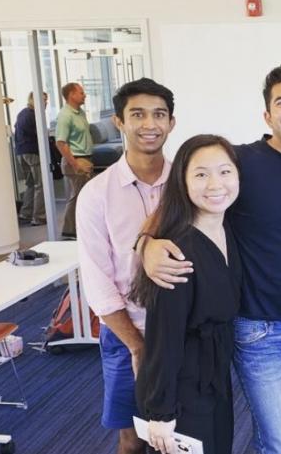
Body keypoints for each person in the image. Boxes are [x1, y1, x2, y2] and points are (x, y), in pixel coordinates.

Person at [142, 63, 281, 453]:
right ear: (267, 115)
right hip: (260, 330)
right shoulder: (242, 162)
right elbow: (176, 202)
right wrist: (146, 244)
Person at [78, 78, 177, 454]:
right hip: (127, 332)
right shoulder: (96, 195)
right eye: (137, 114)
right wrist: (138, 347)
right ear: (119, 121)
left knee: (186, 432)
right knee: (132, 437)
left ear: (171, 122)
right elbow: (98, 283)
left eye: (158, 114)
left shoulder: (188, 183)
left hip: (184, 330)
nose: (149, 124)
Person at [132, 135, 241, 454]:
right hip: (180, 390)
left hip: (214, 377)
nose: (215, 184)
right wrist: (161, 414)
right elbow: (163, 340)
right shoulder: (177, 253)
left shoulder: (226, 228)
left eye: (224, 171)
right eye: (201, 174)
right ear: (182, 181)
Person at [56, 82, 94, 238]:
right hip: (76, 160)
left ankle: (79, 228)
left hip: (86, 158)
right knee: (78, 196)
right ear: (71, 95)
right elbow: (60, 142)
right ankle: (69, 230)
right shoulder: (65, 115)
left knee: (85, 196)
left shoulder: (80, 112)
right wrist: (75, 163)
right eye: (81, 92)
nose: (84, 95)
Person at [14, 91, 48, 226]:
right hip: (32, 153)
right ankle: (39, 217)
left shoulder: (22, 113)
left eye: (46, 100)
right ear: (33, 100)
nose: (45, 103)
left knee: (31, 184)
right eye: (43, 99)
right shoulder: (34, 115)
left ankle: (25, 213)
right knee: (40, 184)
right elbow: (39, 135)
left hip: (20, 153)